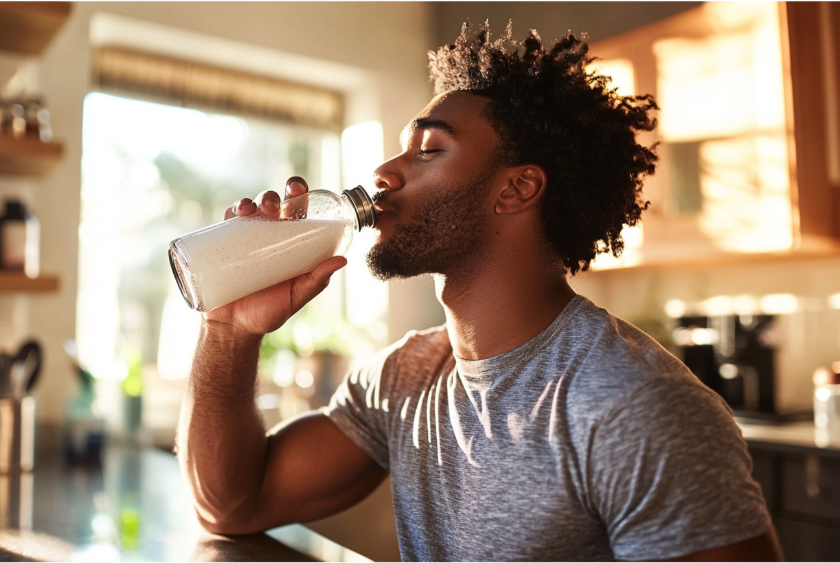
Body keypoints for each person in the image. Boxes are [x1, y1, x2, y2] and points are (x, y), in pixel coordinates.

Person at [176, 22, 783, 562]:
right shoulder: (405, 380)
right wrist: (229, 330)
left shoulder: (634, 409)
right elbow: (231, 504)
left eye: (429, 149)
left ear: (517, 189)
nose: (384, 173)